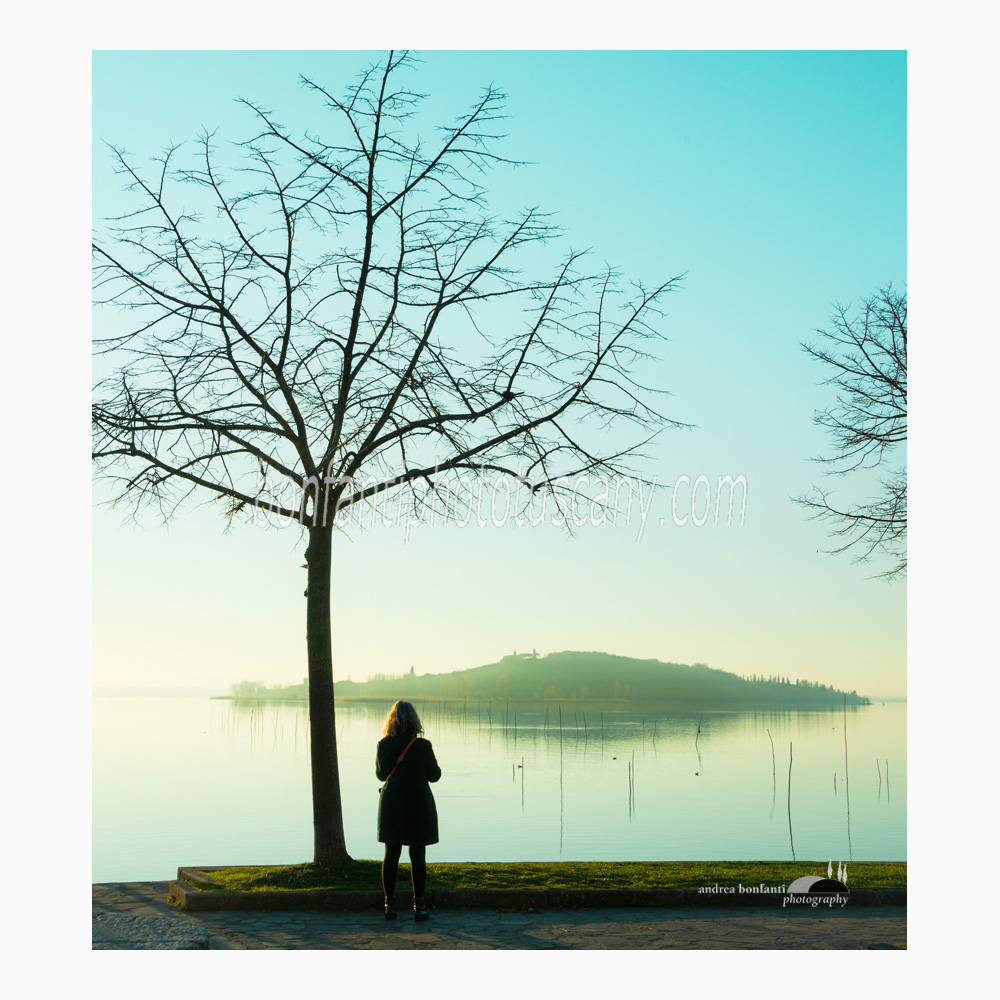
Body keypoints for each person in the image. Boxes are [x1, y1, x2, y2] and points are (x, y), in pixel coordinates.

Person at [376, 700, 441, 921]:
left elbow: (380, 774)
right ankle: (419, 907)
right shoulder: (423, 746)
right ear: (414, 720)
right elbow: (434, 776)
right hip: (418, 805)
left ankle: (389, 905)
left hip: (392, 804)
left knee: (391, 855)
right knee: (418, 855)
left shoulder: (384, 745)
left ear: (392, 720)